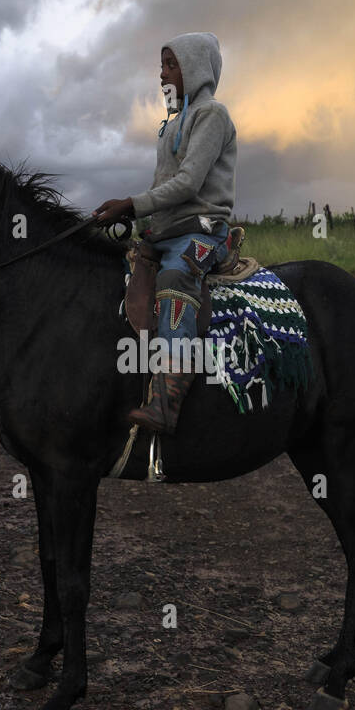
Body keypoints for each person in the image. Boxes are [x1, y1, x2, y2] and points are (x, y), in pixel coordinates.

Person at [93, 32, 238, 434]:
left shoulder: (211, 115)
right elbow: (164, 185)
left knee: (175, 277)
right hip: (168, 230)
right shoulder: (172, 123)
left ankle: (169, 395)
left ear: (193, 69)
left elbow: (190, 183)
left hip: (204, 230)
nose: (162, 75)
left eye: (171, 65)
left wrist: (130, 204)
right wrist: (139, 222)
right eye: (161, 65)